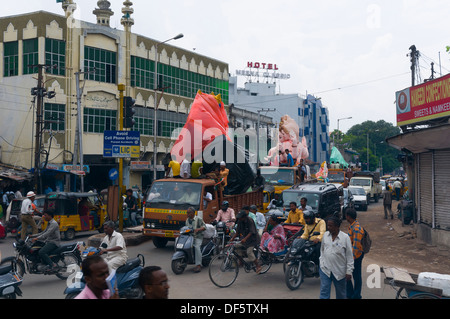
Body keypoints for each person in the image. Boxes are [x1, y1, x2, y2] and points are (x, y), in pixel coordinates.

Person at [319, 216, 354, 299]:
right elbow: (322, 250)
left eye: (331, 226)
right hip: (325, 269)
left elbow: (349, 256)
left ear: (337, 226)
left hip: (339, 272)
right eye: (328, 225)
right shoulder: (325, 235)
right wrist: (321, 262)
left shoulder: (345, 238)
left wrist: (349, 271)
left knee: (341, 294)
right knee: (324, 292)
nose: (328, 228)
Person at [345, 209, 365, 299]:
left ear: (348, 216)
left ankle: (356, 295)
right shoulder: (351, 226)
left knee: (356, 276)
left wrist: (351, 259)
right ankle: (350, 294)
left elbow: (356, 246)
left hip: (356, 256)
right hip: (352, 255)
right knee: (348, 274)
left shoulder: (356, 228)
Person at [185, 207, 206, 273]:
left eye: (189, 213)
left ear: (193, 213)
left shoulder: (198, 219)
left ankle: (198, 265)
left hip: (198, 237)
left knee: (197, 247)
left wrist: (198, 229)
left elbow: (204, 227)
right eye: (187, 213)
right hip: (189, 237)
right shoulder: (187, 220)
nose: (188, 214)